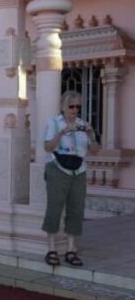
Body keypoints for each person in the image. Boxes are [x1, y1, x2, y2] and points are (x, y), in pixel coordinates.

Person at [42, 90, 100, 267]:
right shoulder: (54, 123)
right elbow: (48, 147)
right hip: (58, 168)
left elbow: (95, 150)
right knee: (55, 208)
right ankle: (51, 249)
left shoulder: (83, 124)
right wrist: (63, 132)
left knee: (76, 210)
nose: (75, 110)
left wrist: (91, 134)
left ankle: (71, 249)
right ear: (63, 107)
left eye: (78, 106)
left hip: (79, 170)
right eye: (71, 106)